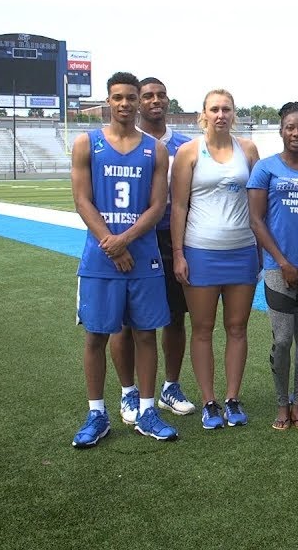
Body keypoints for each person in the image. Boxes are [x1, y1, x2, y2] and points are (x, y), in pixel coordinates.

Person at [71, 72, 176, 447]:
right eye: (118, 97)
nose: (125, 104)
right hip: (100, 258)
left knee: (146, 334)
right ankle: (97, 413)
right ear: (108, 101)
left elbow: (157, 204)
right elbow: (82, 200)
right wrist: (110, 243)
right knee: (96, 335)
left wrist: (125, 241)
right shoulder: (87, 143)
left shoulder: (155, 149)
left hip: (143, 256)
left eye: (131, 97)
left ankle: (148, 409)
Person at [170, 89, 261, 430]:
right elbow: (179, 206)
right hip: (200, 251)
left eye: (226, 109)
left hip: (242, 250)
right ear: (203, 114)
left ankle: (233, 397)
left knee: (237, 328)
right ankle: (209, 401)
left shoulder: (248, 149)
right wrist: (178, 253)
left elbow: (257, 201)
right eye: (214, 109)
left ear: (234, 113)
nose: (221, 114)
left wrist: (260, 250)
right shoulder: (188, 152)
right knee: (203, 329)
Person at [108, 77, 196, 428]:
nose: (155, 100)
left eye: (160, 95)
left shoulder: (186, 145)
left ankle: (170, 387)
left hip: (174, 237)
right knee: (127, 320)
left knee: (176, 316)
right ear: (137, 102)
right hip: (135, 238)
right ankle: (129, 390)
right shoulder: (126, 143)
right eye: (148, 96)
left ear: (168, 101)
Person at [247, 102, 298, 431]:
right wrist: (281, 261)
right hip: (279, 268)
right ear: (281, 130)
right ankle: (281, 404)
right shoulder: (265, 168)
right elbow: (256, 220)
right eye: (290, 127)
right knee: (282, 338)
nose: (296, 133)